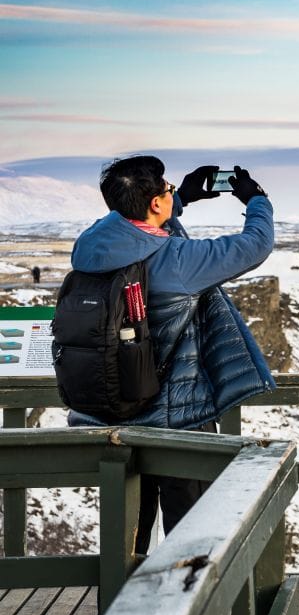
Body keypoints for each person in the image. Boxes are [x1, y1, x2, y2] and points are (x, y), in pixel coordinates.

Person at [67, 156, 276, 555]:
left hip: (110, 420)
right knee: (190, 543)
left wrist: (180, 198)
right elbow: (255, 244)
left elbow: (137, 227)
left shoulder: (89, 249)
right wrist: (256, 199)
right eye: (165, 190)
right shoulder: (178, 261)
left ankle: (118, 609)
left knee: (127, 539)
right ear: (157, 204)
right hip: (177, 424)